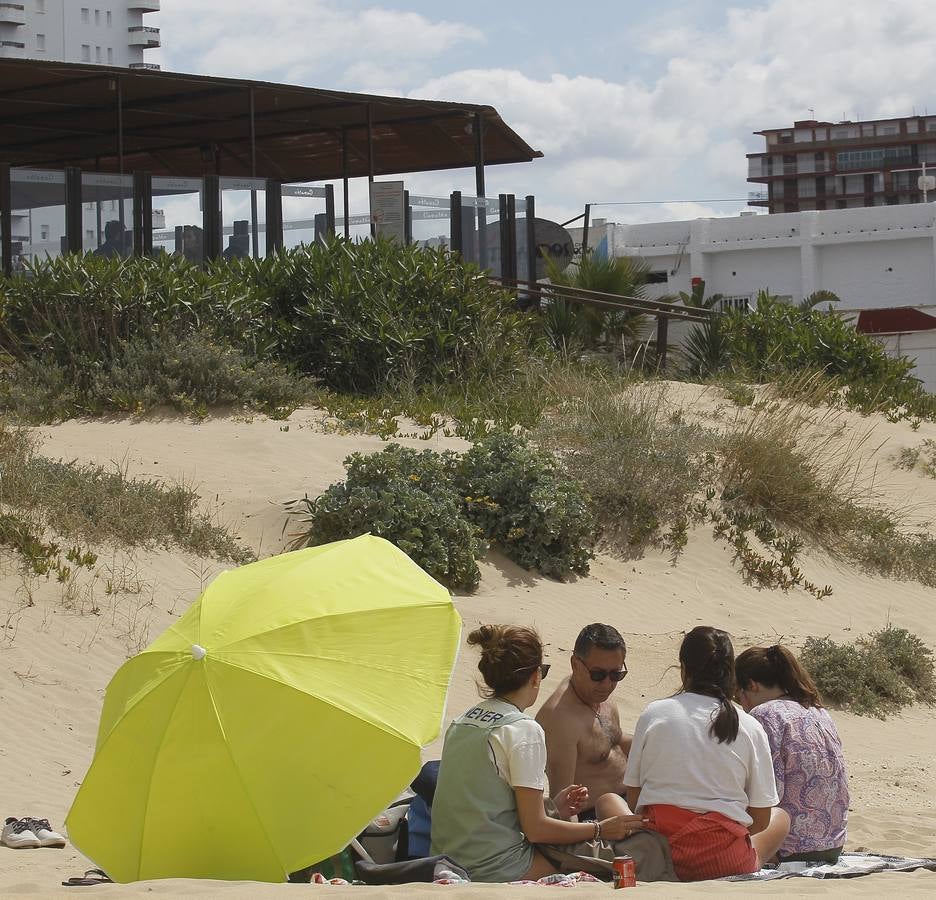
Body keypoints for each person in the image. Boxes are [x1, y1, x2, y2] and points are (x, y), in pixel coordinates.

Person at [431, 624, 646, 883]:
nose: (608, 683)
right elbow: (535, 830)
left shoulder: (462, 721)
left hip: (449, 857)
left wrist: (554, 806)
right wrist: (599, 828)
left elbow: (491, 800)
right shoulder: (524, 730)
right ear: (535, 676)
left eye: (616, 675)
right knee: (628, 861)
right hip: (498, 866)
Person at [623, 626, 790, 881]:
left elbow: (635, 800)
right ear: (730, 672)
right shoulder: (749, 726)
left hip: (661, 853)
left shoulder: (655, 713)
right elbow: (760, 819)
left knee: (609, 802)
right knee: (781, 817)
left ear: (684, 668)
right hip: (726, 862)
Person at [735, 644, 849, 864]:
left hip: (787, 849)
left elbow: (768, 792)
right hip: (832, 845)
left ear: (751, 685)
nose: (741, 705)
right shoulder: (819, 711)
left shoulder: (764, 716)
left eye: (738, 695)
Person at [535, 623, 631, 818]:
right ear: (575, 665)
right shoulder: (561, 719)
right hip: (598, 818)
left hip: (630, 799)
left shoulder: (599, 695)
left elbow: (615, 739)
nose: (607, 684)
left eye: (616, 674)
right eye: (598, 674)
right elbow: (563, 800)